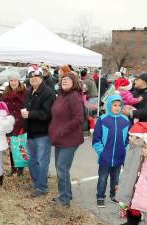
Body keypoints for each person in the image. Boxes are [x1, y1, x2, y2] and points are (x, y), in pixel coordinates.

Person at [48, 72, 84, 207]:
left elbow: (78, 118)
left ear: (74, 82)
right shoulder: (62, 95)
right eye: (63, 79)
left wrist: (63, 130)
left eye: (68, 79)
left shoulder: (74, 96)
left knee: (61, 168)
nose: (64, 81)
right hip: (59, 138)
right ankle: (66, 194)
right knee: (61, 168)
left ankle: (64, 200)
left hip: (69, 139)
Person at [22, 66, 56, 197]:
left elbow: (47, 114)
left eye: (36, 77)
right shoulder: (29, 91)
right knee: (31, 160)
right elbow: (25, 107)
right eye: (31, 77)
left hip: (43, 133)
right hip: (30, 132)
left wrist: (30, 114)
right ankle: (37, 183)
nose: (34, 79)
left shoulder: (48, 93)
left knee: (42, 161)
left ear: (41, 78)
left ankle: (42, 187)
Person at [92, 94, 131, 208]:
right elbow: (96, 139)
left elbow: (129, 139)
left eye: (119, 105)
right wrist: (101, 152)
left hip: (119, 157)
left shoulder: (125, 121)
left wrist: (125, 151)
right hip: (105, 157)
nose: (117, 107)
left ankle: (114, 195)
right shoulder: (102, 120)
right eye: (114, 105)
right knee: (103, 178)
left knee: (116, 178)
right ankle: (100, 196)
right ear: (109, 105)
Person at [117, 122, 147, 225]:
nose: (129, 137)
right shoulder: (132, 146)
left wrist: (130, 185)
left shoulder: (139, 150)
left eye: (132, 135)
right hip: (128, 178)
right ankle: (130, 220)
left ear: (139, 138)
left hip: (133, 181)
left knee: (134, 202)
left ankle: (133, 221)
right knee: (129, 202)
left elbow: (135, 170)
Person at [1, 71, 27, 176]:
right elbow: (2, 107)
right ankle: (13, 168)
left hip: (20, 123)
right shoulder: (5, 92)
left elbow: (26, 106)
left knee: (20, 147)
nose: (13, 82)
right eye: (11, 80)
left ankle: (20, 170)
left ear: (19, 81)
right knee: (12, 147)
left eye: (15, 80)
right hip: (9, 124)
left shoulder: (24, 92)